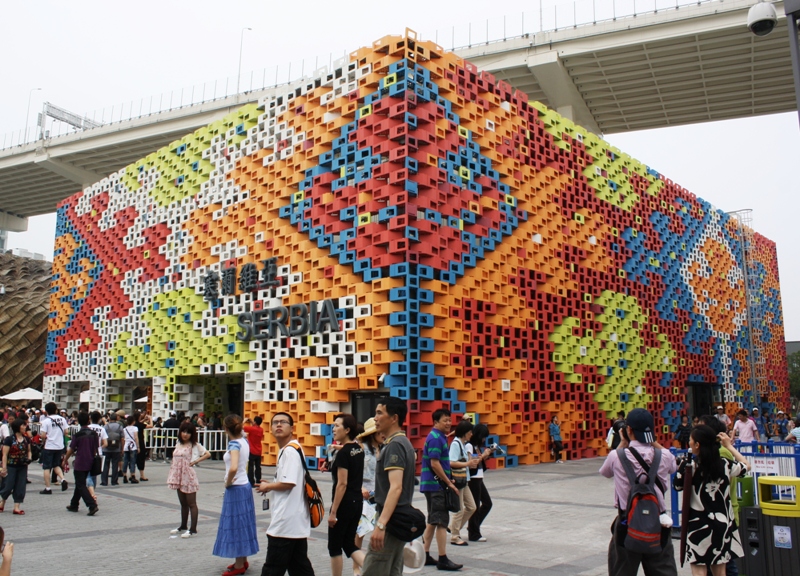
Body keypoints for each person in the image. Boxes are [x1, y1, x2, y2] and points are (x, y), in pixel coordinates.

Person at [599, 407, 677, 576]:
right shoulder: (664, 455)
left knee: (622, 571)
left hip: (628, 523)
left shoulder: (616, 456)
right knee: (663, 570)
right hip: (658, 523)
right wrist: (652, 441)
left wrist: (623, 442)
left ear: (629, 430)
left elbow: (604, 472)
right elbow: (673, 466)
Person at [674, 425, 750, 575]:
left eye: (690, 440)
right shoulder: (725, 464)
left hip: (698, 525)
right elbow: (747, 466)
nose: (688, 443)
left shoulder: (689, 466)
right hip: (722, 525)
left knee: (699, 569)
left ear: (697, 445)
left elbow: (677, 486)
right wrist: (729, 446)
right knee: (720, 571)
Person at [361, 397, 417, 576]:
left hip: (392, 521)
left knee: (374, 569)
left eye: (379, 413)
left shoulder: (395, 445)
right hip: (398, 519)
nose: (375, 418)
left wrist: (381, 525)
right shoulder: (401, 443)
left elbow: (396, 488)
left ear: (394, 418)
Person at [255, 412, 315, 576]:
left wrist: (268, 487)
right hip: (295, 522)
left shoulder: (289, 451)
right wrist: (272, 483)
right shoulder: (293, 449)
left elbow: (289, 483)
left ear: (292, 428)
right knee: (300, 568)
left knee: (272, 569)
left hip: (285, 522)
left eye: (283, 422)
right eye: (275, 423)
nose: (278, 425)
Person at [213, 414, 259, 576]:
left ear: (225, 429)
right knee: (243, 522)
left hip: (236, 487)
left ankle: (239, 565)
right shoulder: (244, 441)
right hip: (244, 485)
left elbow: (233, 467)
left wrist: (228, 482)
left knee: (235, 525)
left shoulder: (234, 444)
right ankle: (242, 559)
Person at [420, 408, 462, 571]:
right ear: (435, 422)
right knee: (441, 522)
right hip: (436, 486)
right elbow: (434, 463)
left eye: (450, 420)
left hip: (433, 484)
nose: (449, 423)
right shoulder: (436, 438)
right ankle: (443, 558)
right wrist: (449, 483)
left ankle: (424, 554)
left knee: (433, 520)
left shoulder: (438, 437)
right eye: (445, 420)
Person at [328, 414, 365, 576]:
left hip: (344, 503)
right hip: (357, 502)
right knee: (349, 544)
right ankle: (376, 571)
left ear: (347, 429)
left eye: (337, 426)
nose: (334, 429)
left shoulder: (344, 454)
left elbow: (342, 484)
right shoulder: (358, 449)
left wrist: (333, 512)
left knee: (335, 546)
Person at [167, 421, 211, 538]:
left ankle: (193, 529)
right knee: (183, 503)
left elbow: (207, 454)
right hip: (178, 475)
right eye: (183, 431)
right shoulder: (178, 443)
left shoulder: (194, 445)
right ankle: (183, 526)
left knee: (192, 503)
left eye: (188, 432)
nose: (185, 434)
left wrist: (195, 462)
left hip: (188, 476)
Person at [63, 411, 100, 516]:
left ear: (78, 421)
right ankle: (74, 504)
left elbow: (71, 449)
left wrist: (65, 460)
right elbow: (95, 448)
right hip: (91, 460)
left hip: (80, 461)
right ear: (88, 420)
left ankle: (91, 505)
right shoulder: (94, 434)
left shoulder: (77, 435)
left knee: (80, 484)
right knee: (80, 484)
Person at [355, 417, 384, 551]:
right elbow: (353, 473)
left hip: (380, 495)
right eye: (379, 432)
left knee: (380, 529)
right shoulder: (361, 448)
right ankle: (356, 567)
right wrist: (360, 488)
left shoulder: (384, 449)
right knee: (361, 531)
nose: (382, 435)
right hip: (364, 495)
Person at [448, 419, 477, 547]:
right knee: (458, 509)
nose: (471, 434)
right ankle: (454, 536)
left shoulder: (463, 444)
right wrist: (467, 463)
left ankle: (453, 527)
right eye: (470, 432)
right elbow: (451, 462)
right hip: (458, 480)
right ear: (465, 432)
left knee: (472, 506)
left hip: (464, 480)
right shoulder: (456, 444)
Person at [466, 423, 493, 543]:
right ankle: (474, 533)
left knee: (487, 503)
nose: (484, 439)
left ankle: (473, 527)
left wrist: (487, 455)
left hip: (479, 476)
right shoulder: (469, 445)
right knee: (475, 506)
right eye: (483, 436)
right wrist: (484, 456)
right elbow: (472, 462)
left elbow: (479, 460)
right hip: (473, 478)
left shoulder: (476, 446)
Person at [0, 419, 32, 514]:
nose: (25, 427)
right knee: (8, 485)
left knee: (20, 486)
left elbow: (29, 450)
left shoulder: (26, 439)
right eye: (23, 425)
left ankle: (17, 506)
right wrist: (4, 467)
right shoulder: (9, 439)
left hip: (22, 466)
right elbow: (5, 454)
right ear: (18, 427)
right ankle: (2, 502)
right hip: (11, 466)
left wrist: (29, 458)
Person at [39, 401, 68, 494]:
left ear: (46, 411)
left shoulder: (46, 421)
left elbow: (43, 435)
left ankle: (48, 488)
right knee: (56, 465)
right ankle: (63, 479)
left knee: (46, 467)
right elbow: (66, 432)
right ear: (56, 410)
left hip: (49, 446)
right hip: (59, 446)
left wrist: (44, 441)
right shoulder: (62, 419)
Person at [86, 411, 108, 503]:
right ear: (99, 419)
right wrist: (99, 447)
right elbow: (105, 443)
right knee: (94, 475)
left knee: (87, 475)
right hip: (97, 454)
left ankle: (91, 494)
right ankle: (93, 492)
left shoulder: (87, 428)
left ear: (90, 418)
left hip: (87, 453)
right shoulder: (101, 429)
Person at [101, 412, 123, 486]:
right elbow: (122, 438)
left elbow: (102, 437)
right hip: (116, 448)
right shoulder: (119, 426)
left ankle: (104, 481)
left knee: (105, 465)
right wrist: (122, 448)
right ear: (116, 418)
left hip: (106, 448)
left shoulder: (106, 426)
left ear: (109, 418)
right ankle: (114, 481)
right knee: (115, 465)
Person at [243, 416, 264, 487]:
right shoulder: (261, 429)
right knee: (258, 466)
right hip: (259, 450)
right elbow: (255, 427)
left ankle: (251, 482)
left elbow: (241, 427)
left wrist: (244, 420)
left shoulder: (252, 429)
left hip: (252, 450)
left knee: (250, 467)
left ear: (255, 422)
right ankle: (258, 479)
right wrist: (252, 421)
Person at [134, 410, 152, 481]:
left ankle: (131, 474)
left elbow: (139, 423)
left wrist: (144, 419)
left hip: (132, 443)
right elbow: (151, 426)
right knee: (141, 458)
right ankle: (142, 475)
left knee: (132, 459)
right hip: (140, 442)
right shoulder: (140, 425)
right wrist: (150, 419)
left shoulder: (133, 424)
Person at [122, 415, 140, 484]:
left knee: (125, 461)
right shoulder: (135, 428)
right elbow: (136, 437)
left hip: (126, 446)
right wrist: (138, 446)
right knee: (132, 462)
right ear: (133, 421)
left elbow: (123, 439)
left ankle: (124, 476)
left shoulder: (125, 429)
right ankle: (132, 476)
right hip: (133, 446)